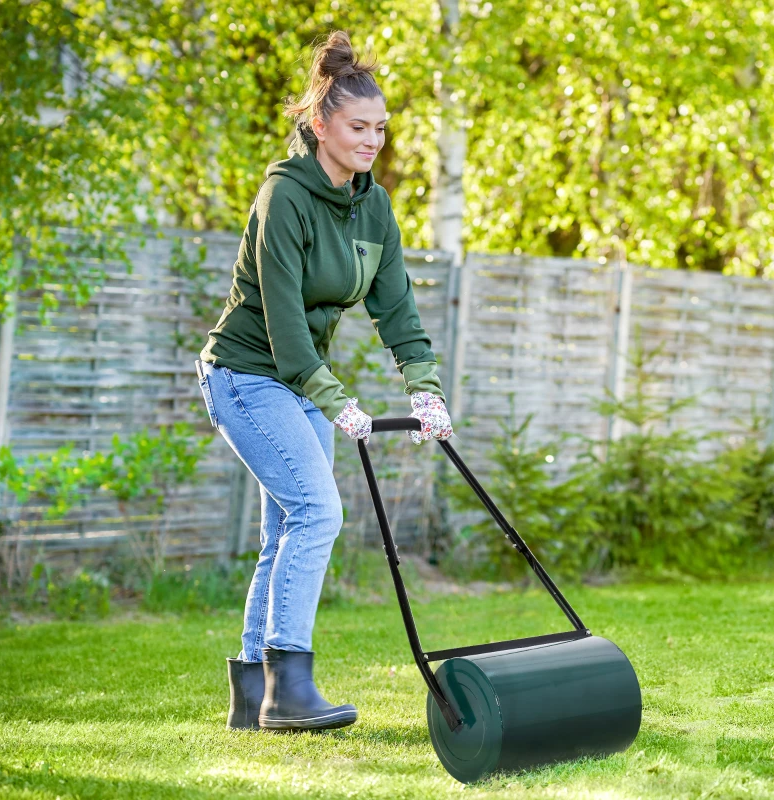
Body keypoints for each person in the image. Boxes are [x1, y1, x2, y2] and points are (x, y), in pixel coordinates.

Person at [194, 30, 454, 733]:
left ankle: (253, 698)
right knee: (319, 513)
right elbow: (283, 328)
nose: (373, 140)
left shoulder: (374, 207)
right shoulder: (284, 196)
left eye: (381, 128)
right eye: (358, 127)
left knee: (286, 532)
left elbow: (395, 306)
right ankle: (289, 688)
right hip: (246, 375)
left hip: (299, 382)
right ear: (320, 127)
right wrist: (339, 404)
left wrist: (423, 387)